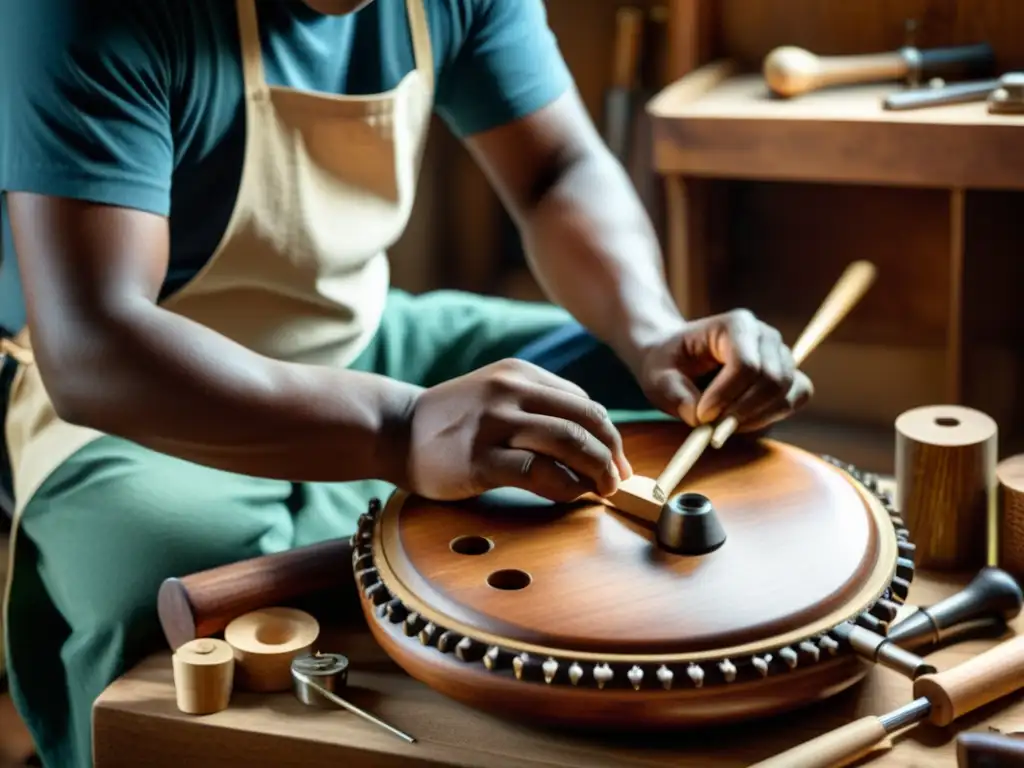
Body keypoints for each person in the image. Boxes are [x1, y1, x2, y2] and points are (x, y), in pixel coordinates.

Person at [0, 0, 813, 764]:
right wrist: (400, 430)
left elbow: (554, 169)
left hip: (366, 333)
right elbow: (93, 347)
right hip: (142, 398)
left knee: (655, 399)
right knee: (171, 585)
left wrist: (650, 329)